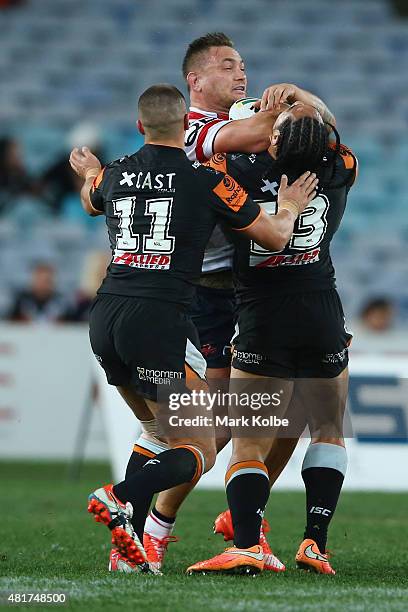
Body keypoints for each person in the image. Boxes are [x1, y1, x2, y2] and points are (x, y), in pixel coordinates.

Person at [69, 84, 318, 572]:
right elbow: (272, 234)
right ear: (187, 126)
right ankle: (118, 495)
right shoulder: (204, 179)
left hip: (105, 319)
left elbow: (90, 200)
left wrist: (89, 171)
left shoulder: (115, 173)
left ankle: (129, 554)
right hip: (157, 324)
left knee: (156, 431)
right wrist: (288, 203)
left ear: (140, 127)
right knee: (198, 447)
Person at [132, 32, 337, 573]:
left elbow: (309, 134)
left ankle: (246, 517)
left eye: (244, 65)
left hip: (253, 292)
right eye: (227, 66)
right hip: (213, 295)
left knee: (286, 413)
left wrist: (298, 104)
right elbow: (283, 133)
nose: (241, 74)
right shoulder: (197, 132)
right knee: (221, 425)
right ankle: (154, 528)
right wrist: (297, 105)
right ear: (195, 81)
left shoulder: (243, 116)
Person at [187, 103, 358, 575]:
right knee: (327, 430)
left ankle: (247, 545)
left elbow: (204, 153)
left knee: (248, 443)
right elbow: (332, 131)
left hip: (263, 316)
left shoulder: (237, 175)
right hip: (323, 309)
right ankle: (314, 544)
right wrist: (303, 106)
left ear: (274, 142)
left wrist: (248, 123)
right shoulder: (339, 167)